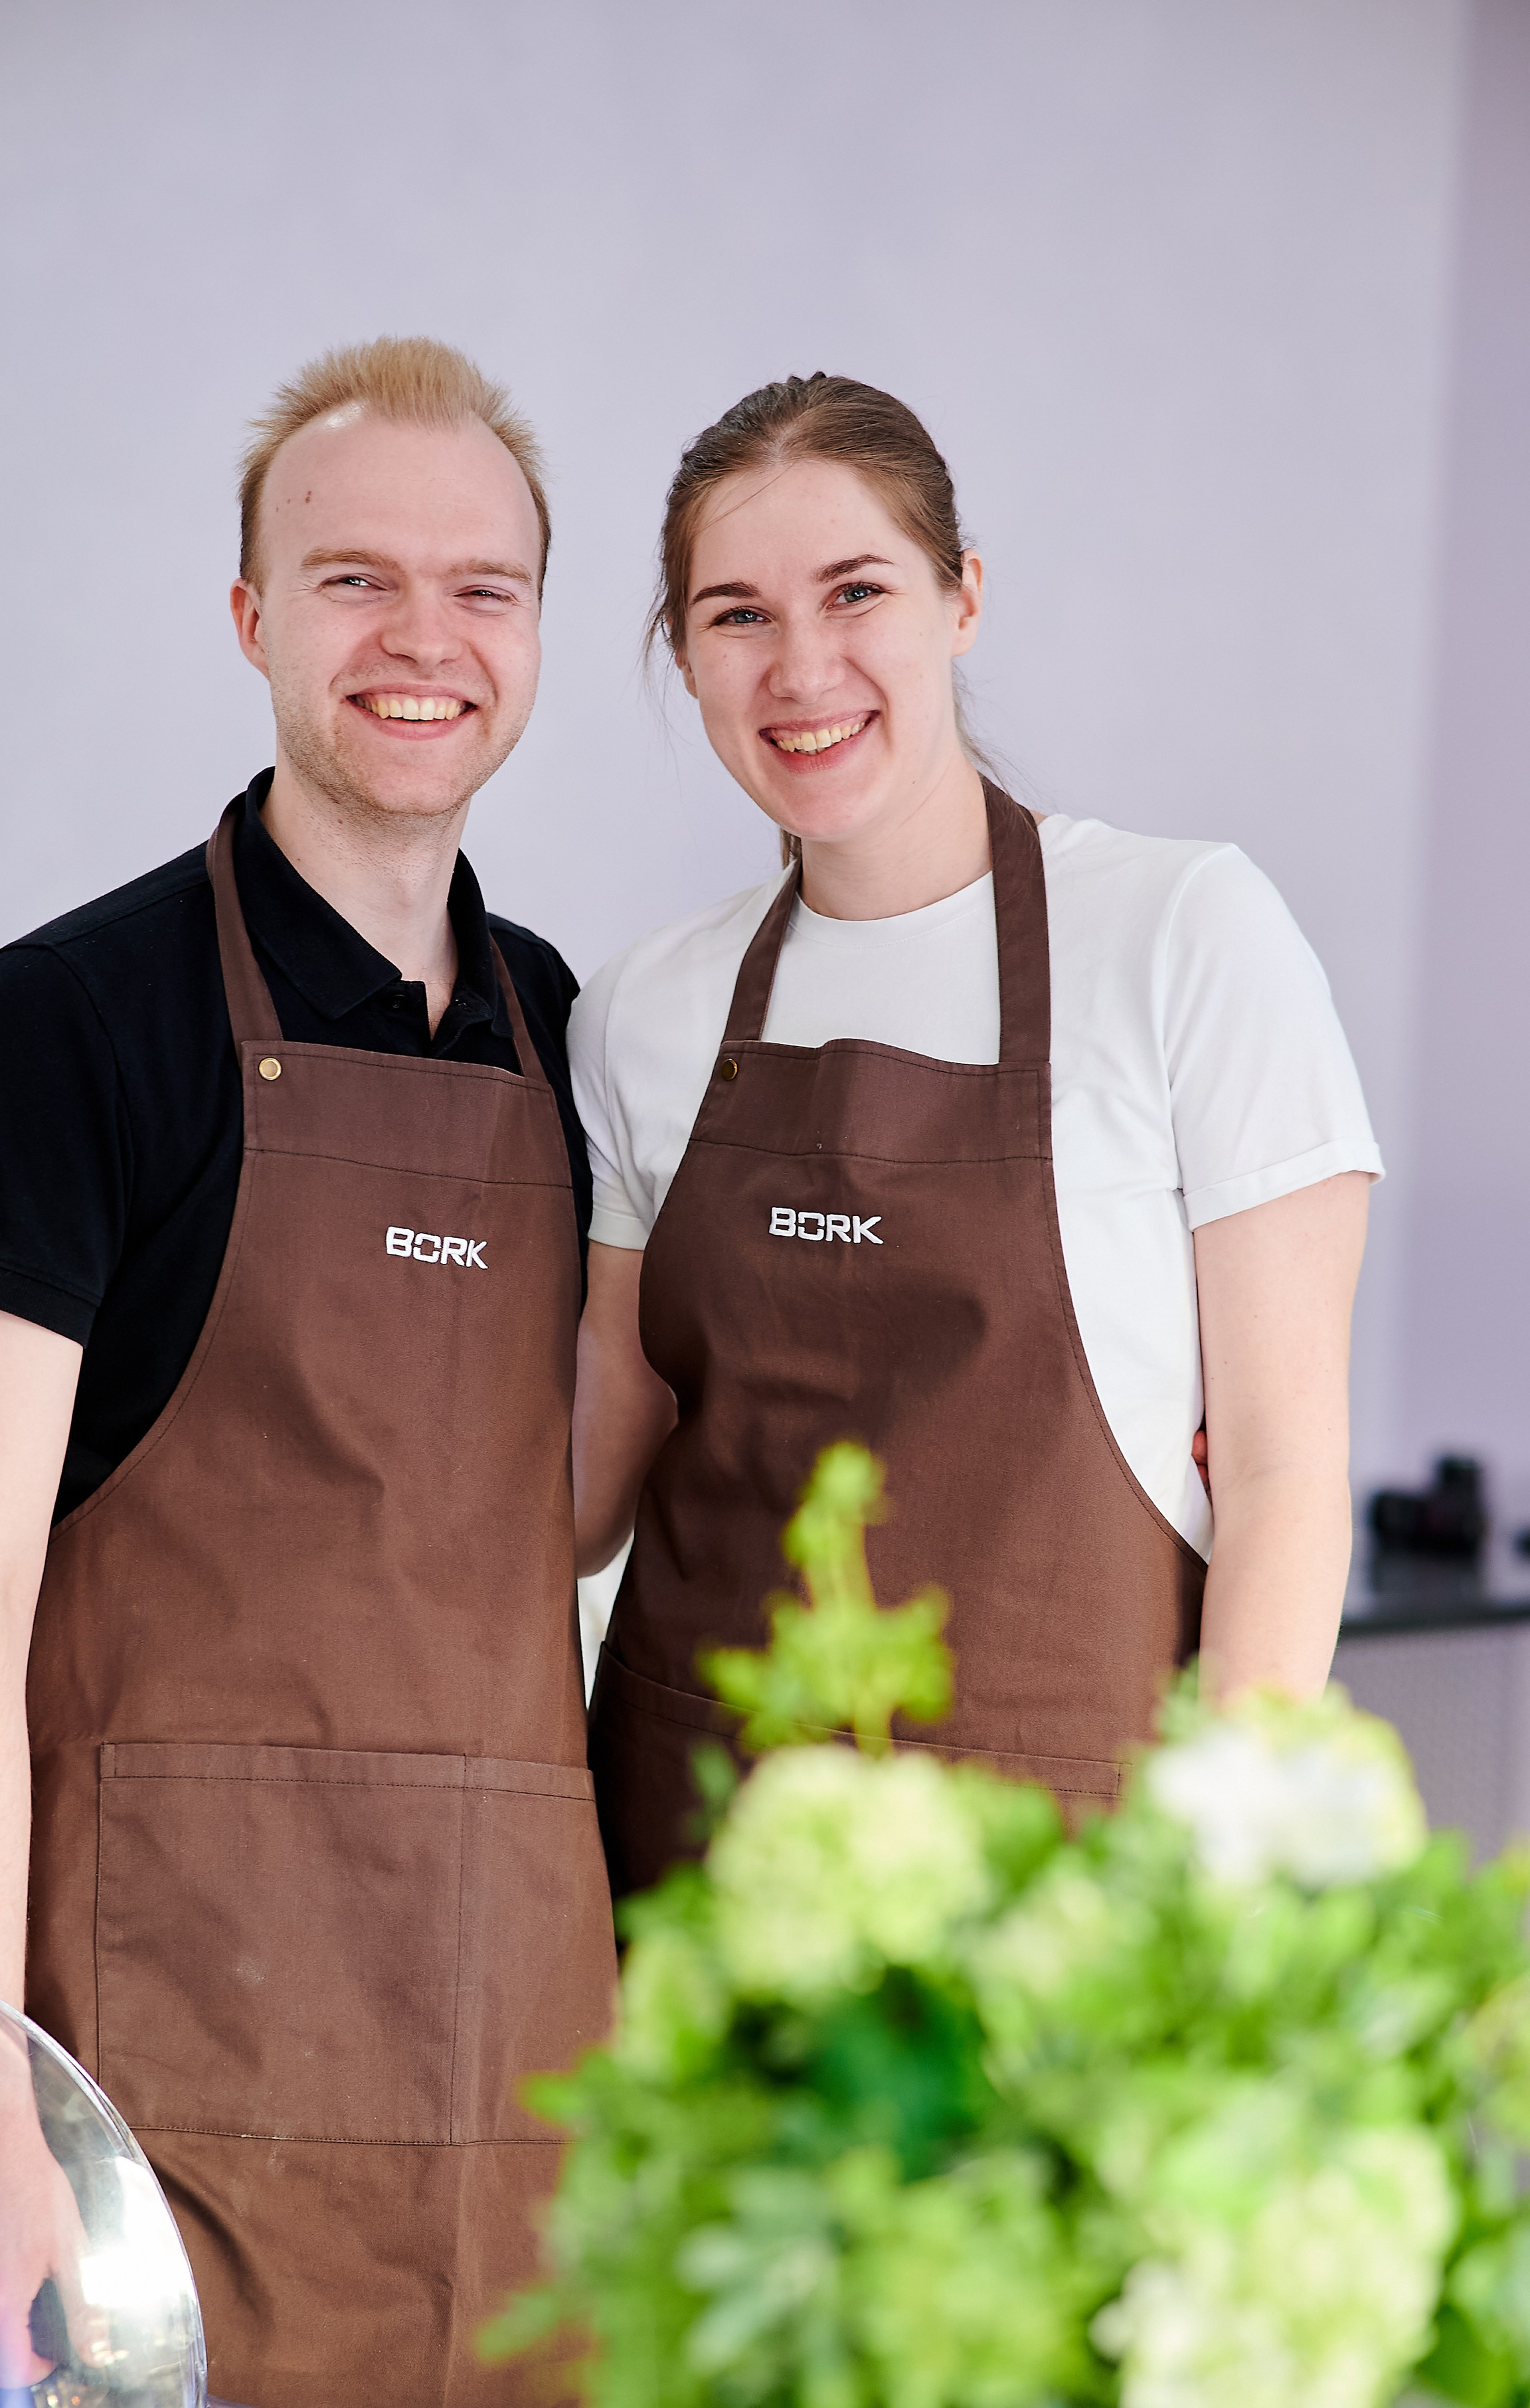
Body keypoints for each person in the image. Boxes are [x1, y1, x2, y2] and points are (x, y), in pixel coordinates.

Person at [0, 337, 616, 2408]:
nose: (424, 641)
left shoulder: (574, 1036)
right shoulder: (59, 1028)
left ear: (539, 635)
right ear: (253, 618)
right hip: (139, 2113)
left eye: (483, 589)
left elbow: (641, 1471)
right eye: (356, 577)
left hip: (520, 2122)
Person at [571, 371, 1381, 1896]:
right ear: (683, 658)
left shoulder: (1183, 933)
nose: (801, 668)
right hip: (702, 1885)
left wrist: (1214, 1899)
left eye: (856, 591)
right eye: (735, 614)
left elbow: (1280, 1471)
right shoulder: (639, 1012)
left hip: (1068, 1894)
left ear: (961, 598)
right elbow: (587, 1478)